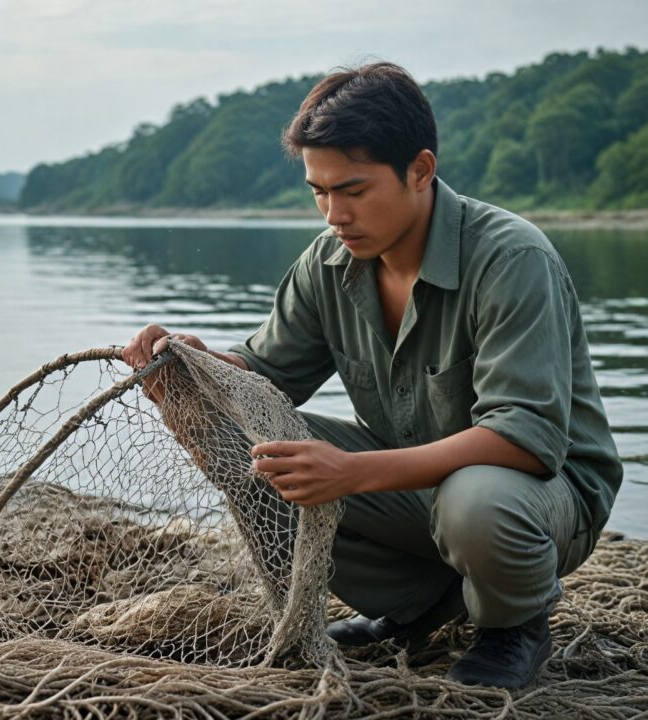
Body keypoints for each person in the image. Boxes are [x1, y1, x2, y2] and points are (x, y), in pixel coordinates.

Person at [122, 62, 622, 689]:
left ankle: (513, 627)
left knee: (477, 499)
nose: (334, 214)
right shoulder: (328, 262)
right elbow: (264, 375)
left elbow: (524, 439)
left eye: (354, 191)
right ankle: (417, 607)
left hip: (539, 496)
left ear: (420, 170)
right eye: (318, 192)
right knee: (247, 443)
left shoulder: (511, 258)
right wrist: (194, 364)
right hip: (418, 485)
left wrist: (350, 472)